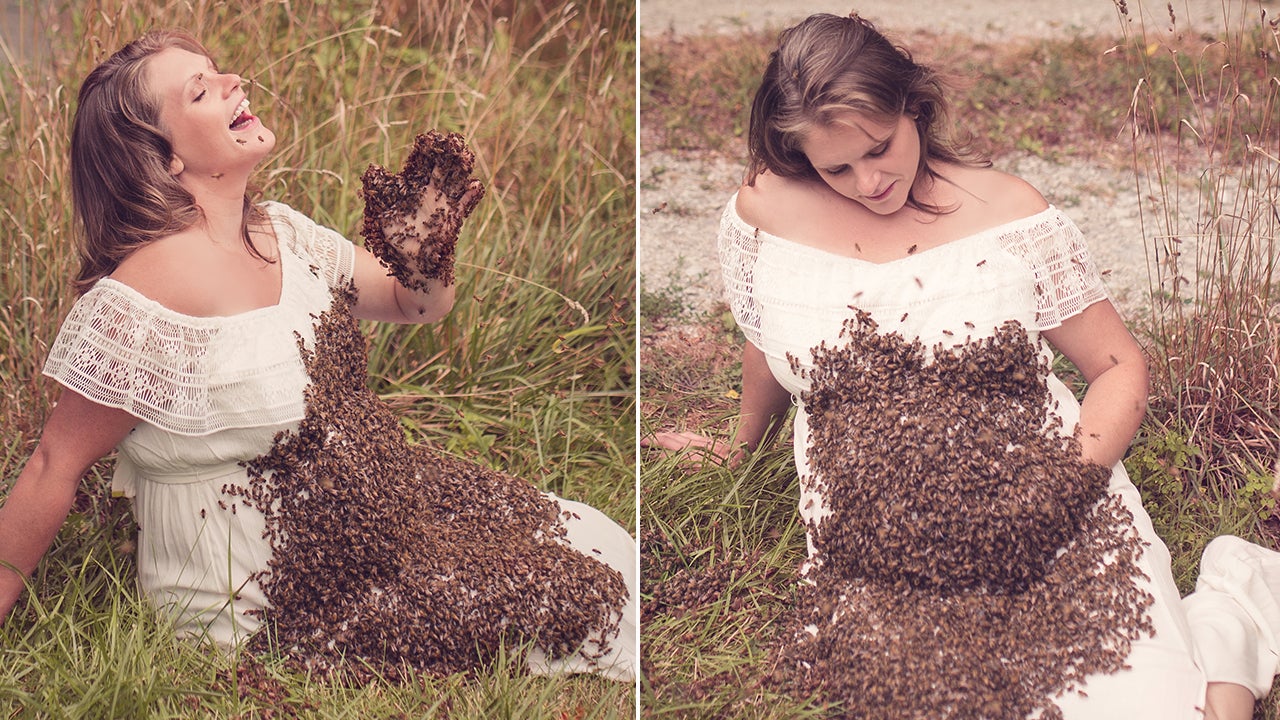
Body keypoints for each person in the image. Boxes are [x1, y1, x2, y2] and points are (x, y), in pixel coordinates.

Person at [648, 13, 1279, 719]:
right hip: (875, 533)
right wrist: (741, 446)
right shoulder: (764, 212)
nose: (869, 180)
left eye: (880, 148)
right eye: (837, 167)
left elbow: (1119, 365)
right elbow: (768, 337)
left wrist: (1058, 495)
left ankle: (1225, 634)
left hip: (1042, 489)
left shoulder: (1008, 211)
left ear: (912, 106)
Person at [0, 29, 636, 682]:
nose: (233, 82)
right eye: (201, 90)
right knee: (567, 601)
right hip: (262, 593)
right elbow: (55, 463)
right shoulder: (145, 293)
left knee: (591, 542)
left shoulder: (282, 231)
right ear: (162, 159)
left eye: (219, 71)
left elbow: (414, 303)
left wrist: (425, 248)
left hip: (360, 520)